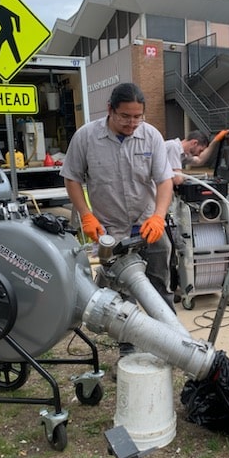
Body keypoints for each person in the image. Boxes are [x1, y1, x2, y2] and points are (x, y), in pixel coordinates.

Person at [60, 82, 175, 315]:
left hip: (147, 225)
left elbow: (164, 180)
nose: (132, 123)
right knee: (120, 291)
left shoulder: (151, 136)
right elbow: (72, 178)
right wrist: (86, 215)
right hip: (109, 230)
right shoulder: (86, 137)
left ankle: (171, 340)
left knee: (159, 285)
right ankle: (128, 346)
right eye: (125, 116)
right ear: (110, 109)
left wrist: (159, 217)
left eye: (137, 117)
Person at [165, 129, 229, 185]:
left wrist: (215, 141)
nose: (199, 154)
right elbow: (177, 180)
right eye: (200, 150)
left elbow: (199, 160)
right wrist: (184, 177)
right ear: (194, 143)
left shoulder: (182, 155)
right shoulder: (173, 147)